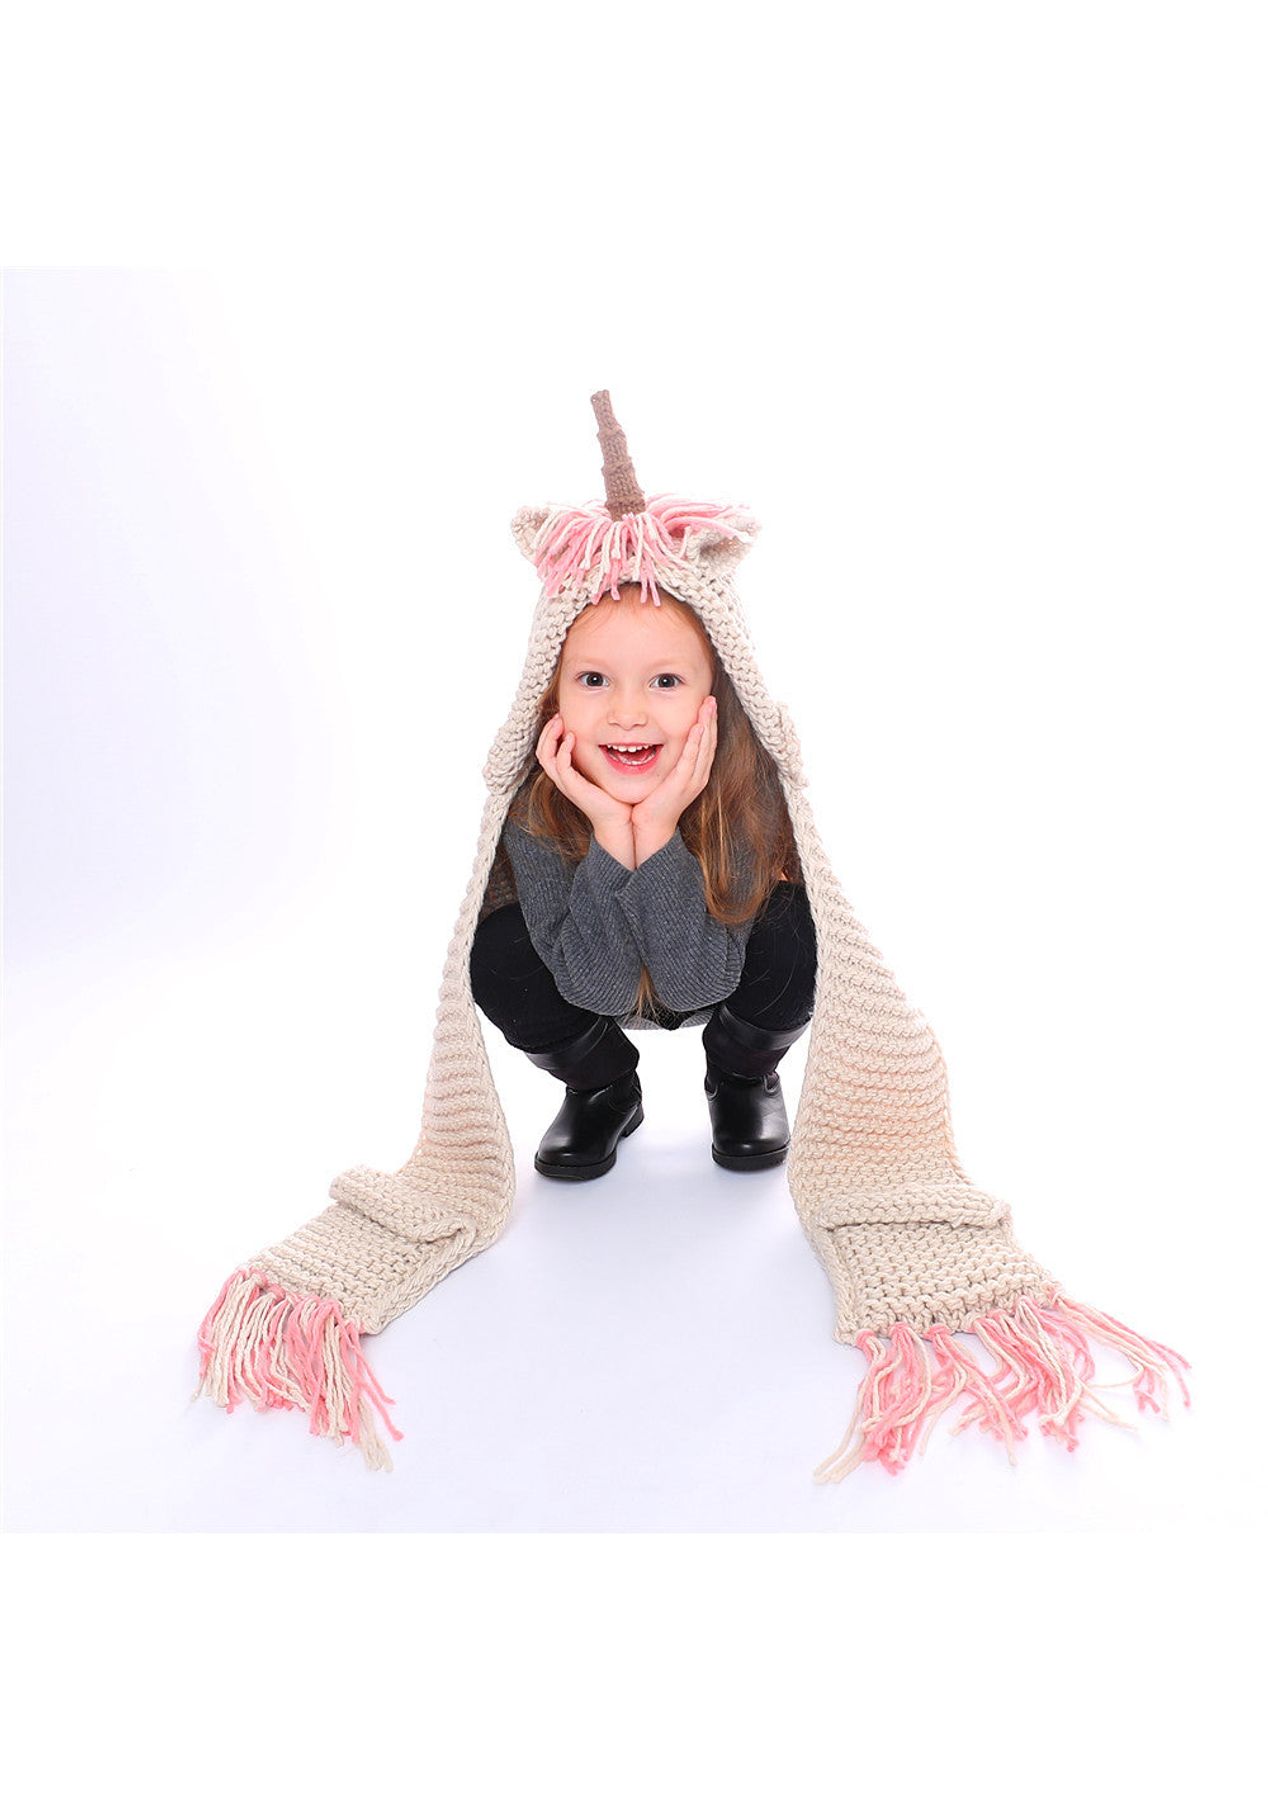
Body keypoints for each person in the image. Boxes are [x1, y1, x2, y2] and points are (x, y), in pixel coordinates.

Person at [470, 578, 818, 1181]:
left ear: (716, 697)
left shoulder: (746, 791)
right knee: (498, 951)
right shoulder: (533, 808)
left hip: (715, 973)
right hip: (585, 980)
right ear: (552, 699)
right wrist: (611, 830)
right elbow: (601, 992)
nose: (627, 714)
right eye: (594, 679)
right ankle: (602, 1087)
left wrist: (656, 828)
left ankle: (741, 1075)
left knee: (794, 927)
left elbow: (691, 987)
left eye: (665, 682)